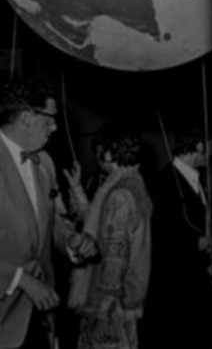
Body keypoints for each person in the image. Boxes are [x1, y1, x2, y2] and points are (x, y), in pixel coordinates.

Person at [0, 79, 97, 349]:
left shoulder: (44, 163)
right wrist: (20, 279)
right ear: (27, 117)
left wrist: (71, 242)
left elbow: (53, 220)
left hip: (40, 312)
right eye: (51, 119)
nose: (55, 128)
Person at [67, 123, 152, 349]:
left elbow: (116, 250)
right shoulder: (131, 184)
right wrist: (76, 188)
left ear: (107, 151)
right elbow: (103, 224)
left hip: (111, 309)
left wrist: (105, 307)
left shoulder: (121, 193)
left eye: (97, 150)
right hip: (123, 304)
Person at [145, 127, 212, 347]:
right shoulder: (163, 183)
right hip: (175, 288)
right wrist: (200, 243)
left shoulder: (195, 179)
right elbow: (161, 236)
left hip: (196, 280)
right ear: (199, 145)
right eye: (210, 143)